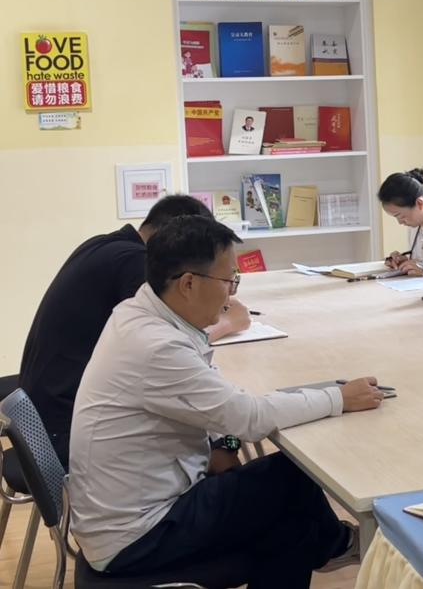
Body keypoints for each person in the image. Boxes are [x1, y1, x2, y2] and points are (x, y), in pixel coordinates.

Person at [69, 216, 385, 585]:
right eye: (228, 280)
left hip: (130, 513)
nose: (232, 294)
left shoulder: (143, 313)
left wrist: (226, 446)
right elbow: (249, 418)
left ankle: (334, 543)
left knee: (289, 515)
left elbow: (219, 411)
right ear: (188, 283)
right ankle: (338, 544)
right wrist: (338, 397)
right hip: (138, 536)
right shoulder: (156, 346)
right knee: (293, 483)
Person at [18, 194, 248, 468]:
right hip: (65, 428)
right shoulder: (135, 263)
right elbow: (169, 341)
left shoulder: (106, 244)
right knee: (215, 437)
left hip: (40, 408)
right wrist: (228, 322)